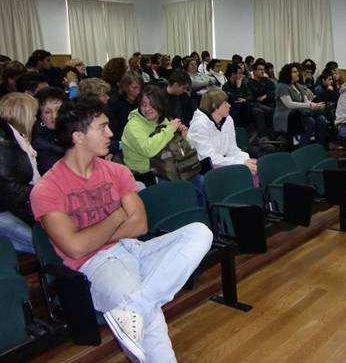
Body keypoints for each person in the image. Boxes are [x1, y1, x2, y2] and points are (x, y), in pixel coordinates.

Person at [30, 97, 212, 363]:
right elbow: (75, 248)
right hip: (95, 266)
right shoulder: (47, 188)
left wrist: (93, 234)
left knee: (200, 232)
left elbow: (140, 224)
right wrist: (116, 217)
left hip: (134, 249)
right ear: (79, 136)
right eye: (102, 127)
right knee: (150, 315)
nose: (111, 133)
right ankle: (136, 309)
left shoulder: (116, 171)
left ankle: (132, 310)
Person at [122, 85, 187, 187]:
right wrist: (170, 130)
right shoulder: (133, 126)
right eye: (143, 104)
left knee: (197, 180)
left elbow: (181, 149)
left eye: (152, 105)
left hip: (167, 165)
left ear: (161, 105)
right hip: (145, 175)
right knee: (181, 189)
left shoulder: (163, 120)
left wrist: (183, 136)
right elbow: (149, 150)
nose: (147, 109)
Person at [187, 88, 258, 180]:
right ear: (214, 106)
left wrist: (245, 160)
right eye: (225, 103)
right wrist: (240, 163)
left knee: (255, 167)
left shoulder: (228, 120)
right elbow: (209, 158)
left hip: (223, 162)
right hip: (206, 169)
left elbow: (232, 149)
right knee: (245, 171)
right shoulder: (199, 125)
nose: (229, 105)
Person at [0, 93, 40, 253]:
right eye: (34, 115)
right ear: (24, 116)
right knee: (46, 246)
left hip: (12, 208)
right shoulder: (5, 148)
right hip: (4, 212)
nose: (36, 119)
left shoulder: (19, 142)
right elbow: (14, 194)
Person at [274, 63, 327, 147]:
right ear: (287, 74)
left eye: (297, 71)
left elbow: (306, 101)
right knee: (310, 122)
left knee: (321, 119)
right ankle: (303, 148)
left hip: (299, 113)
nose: (298, 73)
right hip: (287, 115)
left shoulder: (299, 86)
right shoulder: (282, 86)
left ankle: (319, 147)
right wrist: (309, 106)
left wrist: (315, 105)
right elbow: (289, 104)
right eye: (294, 72)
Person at [107, 71, 144, 157]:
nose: (138, 92)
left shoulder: (141, 100)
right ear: (125, 87)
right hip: (122, 141)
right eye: (134, 88)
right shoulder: (114, 102)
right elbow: (114, 129)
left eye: (140, 88)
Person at [32, 87, 67, 175]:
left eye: (58, 110)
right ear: (40, 116)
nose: (54, 116)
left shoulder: (75, 130)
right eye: (47, 112)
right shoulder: (40, 144)